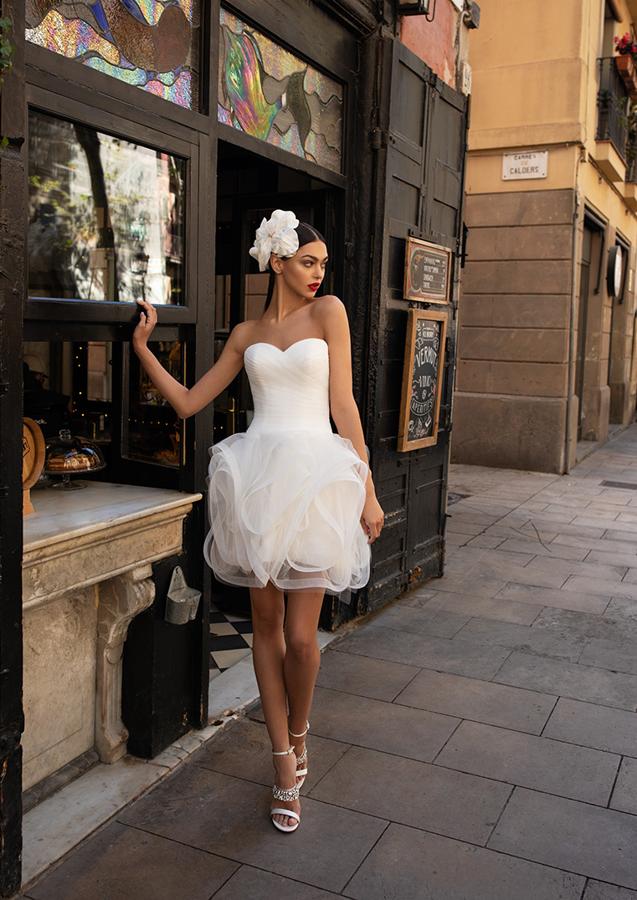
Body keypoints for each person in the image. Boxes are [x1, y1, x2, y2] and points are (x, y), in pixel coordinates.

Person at [132, 209, 385, 834]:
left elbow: (344, 405)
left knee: (302, 638)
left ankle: (300, 732)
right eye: (308, 262)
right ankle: (282, 764)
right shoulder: (246, 333)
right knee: (264, 631)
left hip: (316, 479)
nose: (318, 273)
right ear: (277, 261)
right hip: (257, 482)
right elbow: (189, 401)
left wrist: (367, 490)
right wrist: (142, 348)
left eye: (322, 264)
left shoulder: (329, 314)